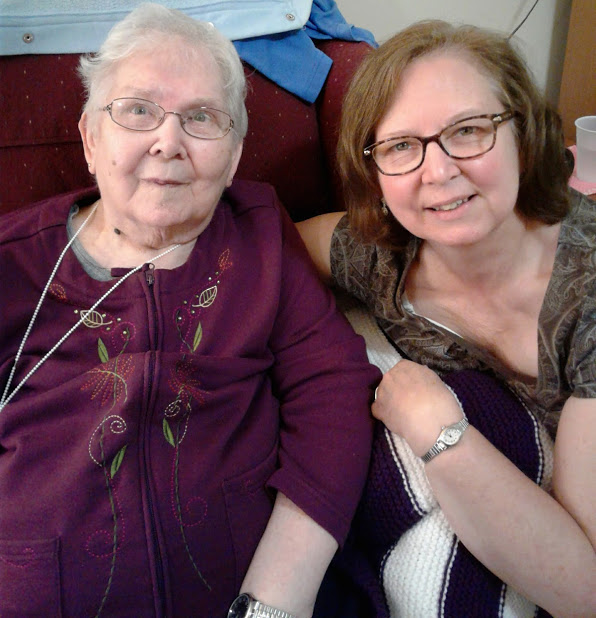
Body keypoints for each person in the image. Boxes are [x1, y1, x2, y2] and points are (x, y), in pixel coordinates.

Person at [0, 4, 380, 617]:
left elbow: (333, 387)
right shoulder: (12, 263)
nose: (168, 142)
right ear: (90, 138)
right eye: (138, 110)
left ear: (233, 156)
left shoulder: (258, 233)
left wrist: (276, 598)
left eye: (201, 117)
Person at [300, 20, 596, 618]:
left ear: (525, 136)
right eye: (400, 146)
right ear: (374, 174)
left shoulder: (584, 299)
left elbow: (585, 588)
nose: (437, 172)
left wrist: (440, 434)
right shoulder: (379, 256)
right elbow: (263, 243)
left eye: (468, 131)